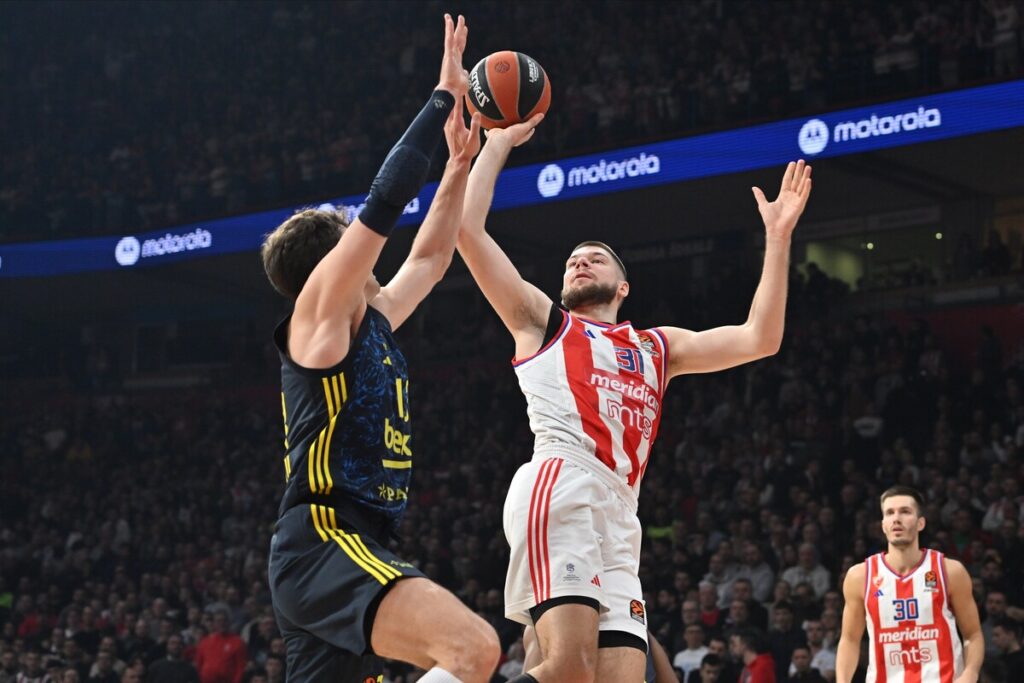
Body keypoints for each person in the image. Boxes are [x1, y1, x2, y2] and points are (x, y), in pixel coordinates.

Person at [456, 105, 812, 683]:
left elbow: (760, 339)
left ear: (622, 285)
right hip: (562, 481)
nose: (578, 262)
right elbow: (468, 233)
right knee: (569, 669)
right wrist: (496, 145)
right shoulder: (542, 322)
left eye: (594, 258)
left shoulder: (656, 346)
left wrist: (778, 238)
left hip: (623, 513)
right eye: (571, 260)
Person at [261, 14, 498, 683]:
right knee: (473, 650)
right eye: (347, 232)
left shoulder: (373, 314)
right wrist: (442, 97)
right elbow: (388, 197)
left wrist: (457, 167)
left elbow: (431, 255)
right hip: (325, 538)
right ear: (333, 258)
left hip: (354, 541)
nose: (358, 233)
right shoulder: (320, 314)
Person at [836, 485, 985, 683]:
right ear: (883, 525)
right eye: (889, 513)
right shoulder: (860, 576)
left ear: (920, 523)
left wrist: (970, 674)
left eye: (905, 511)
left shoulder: (949, 571)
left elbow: (972, 634)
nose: (896, 518)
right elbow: (850, 640)